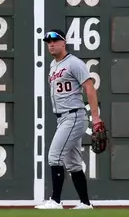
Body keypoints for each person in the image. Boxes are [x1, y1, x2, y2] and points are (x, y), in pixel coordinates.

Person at [35, 29, 101, 210]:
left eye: (55, 40)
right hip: (63, 118)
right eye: (48, 42)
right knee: (73, 164)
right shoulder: (53, 65)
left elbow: (90, 88)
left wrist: (96, 119)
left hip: (74, 116)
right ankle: (85, 204)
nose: (51, 44)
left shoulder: (74, 63)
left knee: (54, 157)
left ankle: (55, 201)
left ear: (64, 43)